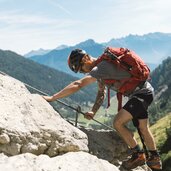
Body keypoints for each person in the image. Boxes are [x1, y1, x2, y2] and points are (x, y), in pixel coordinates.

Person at [42, 48, 162, 170]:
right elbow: (101, 93)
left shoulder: (101, 67)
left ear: (86, 58)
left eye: (81, 68)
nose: (83, 73)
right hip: (144, 92)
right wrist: (93, 111)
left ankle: (138, 155)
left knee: (118, 123)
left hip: (141, 94)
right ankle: (155, 159)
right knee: (143, 128)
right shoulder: (101, 69)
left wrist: (53, 97)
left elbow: (78, 84)